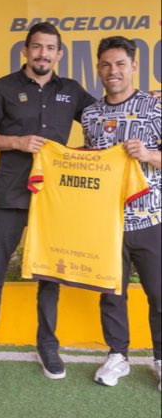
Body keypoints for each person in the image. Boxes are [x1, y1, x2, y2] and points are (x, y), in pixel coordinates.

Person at [0, 22, 95, 378]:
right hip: (11, 193)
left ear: (59, 54)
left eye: (50, 48)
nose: (43, 54)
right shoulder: (1, 87)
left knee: (49, 274)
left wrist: (144, 101)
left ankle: (47, 345)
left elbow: (105, 118)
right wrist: (16, 142)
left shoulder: (71, 90)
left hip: (54, 197)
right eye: (37, 47)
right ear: (25, 50)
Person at [81, 36, 161, 391]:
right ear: (98, 69)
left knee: (159, 293)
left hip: (150, 219)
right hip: (107, 223)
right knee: (112, 293)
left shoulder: (155, 108)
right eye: (106, 65)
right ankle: (117, 356)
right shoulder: (90, 114)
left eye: (120, 64)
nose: (113, 71)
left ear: (133, 67)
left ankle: (160, 359)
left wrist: (150, 155)